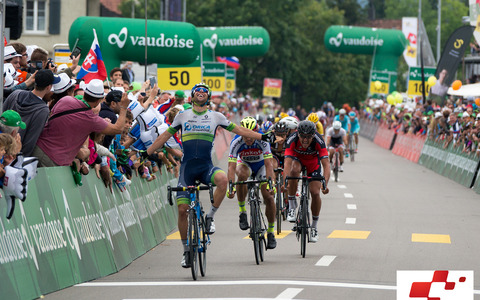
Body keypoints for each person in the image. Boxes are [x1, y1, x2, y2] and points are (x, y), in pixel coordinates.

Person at [144, 82, 274, 268]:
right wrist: (146, 152)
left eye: (205, 91)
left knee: (223, 180)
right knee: (182, 211)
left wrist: (262, 137)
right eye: (198, 90)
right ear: (192, 95)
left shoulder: (216, 116)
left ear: (209, 96)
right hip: (187, 169)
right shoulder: (182, 116)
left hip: (206, 167)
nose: (201, 93)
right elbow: (164, 137)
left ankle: (210, 216)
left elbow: (238, 130)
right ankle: (186, 250)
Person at [33, 79, 130, 167]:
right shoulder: (92, 119)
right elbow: (118, 129)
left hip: (37, 148)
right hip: (53, 159)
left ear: (85, 93)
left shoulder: (65, 100)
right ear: (99, 100)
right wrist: (124, 108)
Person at [226, 116, 277, 250]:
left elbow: (269, 164)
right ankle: (242, 211)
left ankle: (271, 232)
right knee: (242, 175)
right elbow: (231, 167)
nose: (248, 139)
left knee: (269, 197)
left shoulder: (263, 140)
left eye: (250, 136)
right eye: (245, 135)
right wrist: (230, 187)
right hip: (245, 164)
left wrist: (271, 183)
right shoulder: (236, 142)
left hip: (261, 166)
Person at [283, 120, 330, 243]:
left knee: (315, 193)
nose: (305, 140)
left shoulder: (319, 141)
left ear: (313, 135)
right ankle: (292, 206)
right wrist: (284, 183)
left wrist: (325, 184)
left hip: (313, 164)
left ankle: (314, 227)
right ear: (298, 134)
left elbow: (326, 165)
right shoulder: (292, 139)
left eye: (308, 137)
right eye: (303, 137)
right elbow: (287, 163)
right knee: (294, 171)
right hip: (297, 161)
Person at [3, 69, 61, 156]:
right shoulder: (43, 110)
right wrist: (20, 160)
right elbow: (31, 140)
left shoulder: (16, 94)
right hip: (15, 154)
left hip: (2, 146)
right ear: (48, 87)